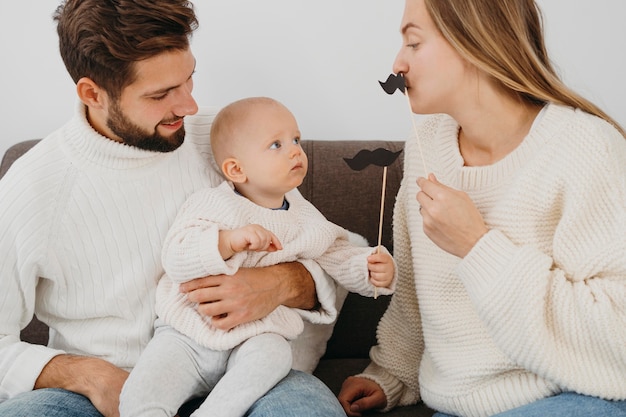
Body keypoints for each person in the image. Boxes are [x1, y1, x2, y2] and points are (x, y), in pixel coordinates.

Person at [0, 1, 348, 417]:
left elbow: (330, 251)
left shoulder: (230, 139)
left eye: (189, 79)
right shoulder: (33, 187)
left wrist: (281, 284)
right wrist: (85, 375)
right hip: (104, 392)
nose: (189, 106)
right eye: (161, 94)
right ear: (93, 93)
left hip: (243, 373)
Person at [338, 0, 626, 416]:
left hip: (573, 400)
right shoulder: (427, 146)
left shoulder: (585, 149)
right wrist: (391, 375)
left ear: (473, 43)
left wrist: (478, 246)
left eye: (413, 43)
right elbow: (416, 298)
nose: (397, 62)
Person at [119, 96, 396, 417]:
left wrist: (370, 269)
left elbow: (337, 255)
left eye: (296, 140)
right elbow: (177, 255)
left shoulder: (306, 218)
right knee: (140, 396)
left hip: (256, 338)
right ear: (236, 169)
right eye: (276, 145)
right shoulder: (213, 203)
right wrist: (227, 241)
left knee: (276, 355)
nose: (295, 150)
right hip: (188, 335)